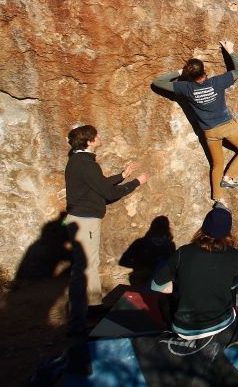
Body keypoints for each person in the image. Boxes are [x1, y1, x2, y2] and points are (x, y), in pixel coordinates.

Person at [64, 124, 149, 334]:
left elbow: (98, 184)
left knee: (89, 264)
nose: (99, 136)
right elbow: (108, 194)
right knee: (84, 268)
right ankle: (77, 321)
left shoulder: (78, 161)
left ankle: (93, 307)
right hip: (85, 221)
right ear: (89, 140)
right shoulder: (86, 164)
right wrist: (136, 182)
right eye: (96, 135)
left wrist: (122, 175)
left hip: (80, 219)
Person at [152, 40, 238, 202]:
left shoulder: (185, 88)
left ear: (188, 75)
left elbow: (158, 82)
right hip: (228, 126)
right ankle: (228, 178)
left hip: (210, 132)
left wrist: (181, 71)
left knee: (217, 165)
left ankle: (218, 198)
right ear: (204, 71)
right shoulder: (216, 82)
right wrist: (230, 50)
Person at [151, 202, 238, 339]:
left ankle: (169, 328)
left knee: (163, 299)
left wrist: (180, 286)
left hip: (185, 329)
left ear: (203, 227)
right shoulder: (236, 256)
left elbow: (156, 285)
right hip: (222, 323)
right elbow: (232, 287)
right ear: (228, 231)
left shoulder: (182, 252)